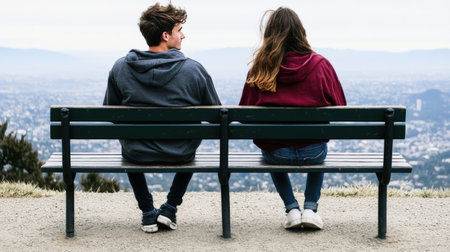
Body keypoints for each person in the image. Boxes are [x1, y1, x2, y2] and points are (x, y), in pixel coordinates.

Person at [103, 3, 221, 233]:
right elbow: (216, 116)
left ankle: (148, 212)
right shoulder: (193, 70)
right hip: (180, 153)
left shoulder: (120, 68)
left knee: (128, 142)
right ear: (166, 36)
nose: (183, 35)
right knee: (192, 136)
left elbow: (111, 113)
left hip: (136, 152)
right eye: (179, 30)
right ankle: (170, 208)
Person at [239, 7, 346, 230]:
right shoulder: (321, 65)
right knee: (319, 142)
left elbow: (244, 114)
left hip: (276, 154)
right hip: (313, 152)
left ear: (270, 34)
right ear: (301, 32)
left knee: (270, 144)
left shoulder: (260, 68)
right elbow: (340, 106)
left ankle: (292, 209)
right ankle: (310, 209)